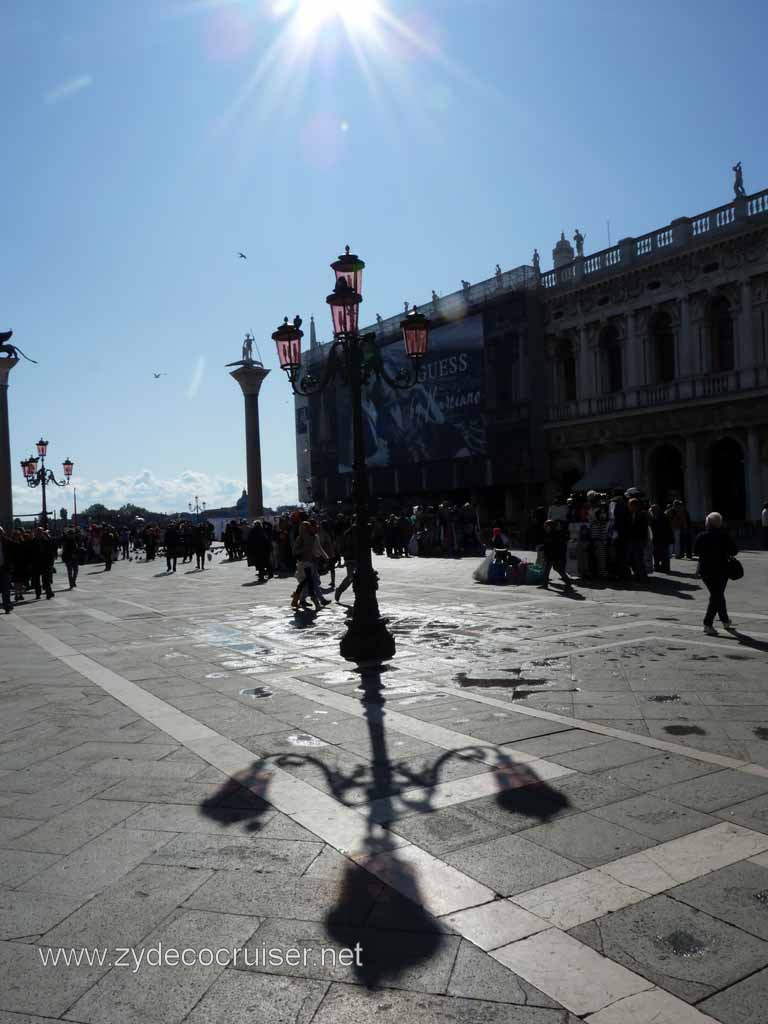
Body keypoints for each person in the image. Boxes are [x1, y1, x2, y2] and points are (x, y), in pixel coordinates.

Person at [693, 512, 738, 635]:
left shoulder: (701, 536)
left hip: (706, 571)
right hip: (722, 570)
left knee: (717, 595)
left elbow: (696, 552)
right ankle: (708, 624)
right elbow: (734, 551)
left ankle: (725, 620)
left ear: (708, 523)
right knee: (717, 595)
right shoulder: (725, 536)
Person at [538, 520, 575, 591]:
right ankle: (545, 584)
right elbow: (547, 544)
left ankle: (567, 581)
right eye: (545, 526)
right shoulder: (547, 534)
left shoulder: (555, 534)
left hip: (554, 555)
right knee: (551, 569)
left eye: (547, 526)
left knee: (556, 569)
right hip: (549, 555)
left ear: (551, 526)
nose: (545, 527)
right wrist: (542, 547)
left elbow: (556, 545)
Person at [335, 519, 358, 602]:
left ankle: (359, 595)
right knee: (350, 577)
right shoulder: (349, 533)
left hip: (359, 557)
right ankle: (339, 590)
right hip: (351, 557)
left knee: (360, 576)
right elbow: (346, 546)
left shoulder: (359, 532)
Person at [649, 504, 673, 572]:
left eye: (653, 510)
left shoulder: (662, 517)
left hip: (662, 538)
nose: (652, 512)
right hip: (658, 539)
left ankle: (664, 567)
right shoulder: (657, 516)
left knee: (663, 554)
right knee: (658, 554)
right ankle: (659, 567)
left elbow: (666, 528)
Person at [0, 525, 13, 613]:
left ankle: (7, 606)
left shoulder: (7, 542)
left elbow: (12, 555)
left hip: (4, 568)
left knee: (6, 589)